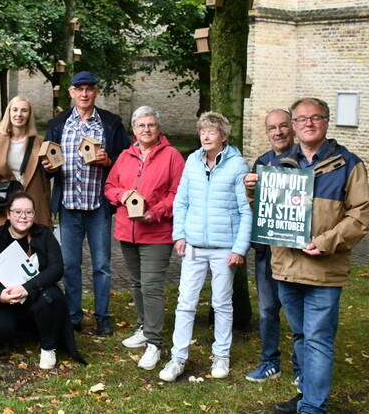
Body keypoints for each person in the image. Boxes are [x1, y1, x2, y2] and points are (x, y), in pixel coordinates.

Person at [269, 97, 369, 414]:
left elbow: (360, 216)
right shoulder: (279, 164)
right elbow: (266, 214)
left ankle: (312, 407)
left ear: (327, 122)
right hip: (286, 267)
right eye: (301, 119)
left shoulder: (349, 165)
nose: (308, 123)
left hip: (324, 270)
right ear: (294, 126)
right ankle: (306, 394)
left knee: (317, 339)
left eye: (316, 117)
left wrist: (327, 241)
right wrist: (251, 191)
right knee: (300, 336)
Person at [159, 112, 252, 383]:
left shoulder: (237, 165)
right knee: (185, 303)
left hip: (225, 248)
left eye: (212, 132)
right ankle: (178, 357)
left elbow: (245, 210)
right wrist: (180, 236)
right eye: (202, 132)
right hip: (194, 246)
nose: (206, 136)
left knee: (222, 304)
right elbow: (181, 201)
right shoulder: (192, 161)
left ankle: (221, 354)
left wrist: (240, 248)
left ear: (223, 136)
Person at [43, 71, 130, 336]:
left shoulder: (110, 123)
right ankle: (74, 316)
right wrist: (49, 168)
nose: (84, 94)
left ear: (96, 92)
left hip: (98, 206)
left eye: (89, 89)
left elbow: (125, 159)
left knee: (102, 265)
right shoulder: (58, 124)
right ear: (71, 92)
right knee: (70, 265)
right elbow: (47, 164)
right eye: (79, 89)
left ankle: (103, 316)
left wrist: (108, 161)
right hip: (69, 206)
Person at [104, 106, 185, 371]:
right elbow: (110, 186)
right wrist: (122, 196)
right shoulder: (126, 155)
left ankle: (154, 342)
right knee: (137, 283)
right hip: (128, 231)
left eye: (151, 125)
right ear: (134, 130)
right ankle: (143, 327)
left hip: (157, 232)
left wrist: (157, 211)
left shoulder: (172, 156)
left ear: (158, 128)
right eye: (141, 126)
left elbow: (179, 192)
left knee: (151, 285)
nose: (146, 130)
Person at [0, 192, 85, 369]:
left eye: (29, 212)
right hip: (5, 302)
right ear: (8, 214)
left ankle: (48, 347)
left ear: (34, 215)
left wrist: (27, 288)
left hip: (36, 298)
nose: (23, 217)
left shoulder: (44, 235)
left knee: (51, 296)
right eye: (18, 212)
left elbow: (56, 269)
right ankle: (13, 336)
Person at [243, 109, 300, 383]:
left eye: (283, 126)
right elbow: (254, 207)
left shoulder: (306, 161)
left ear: (293, 128)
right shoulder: (262, 162)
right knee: (267, 309)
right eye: (272, 128)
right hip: (267, 251)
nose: (278, 132)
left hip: (296, 253)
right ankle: (270, 362)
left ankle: (301, 369)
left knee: (296, 312)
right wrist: (250, 189)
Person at [0, 96, 52, 228]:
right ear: (9, 113)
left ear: (29, 115)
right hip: (2, 205)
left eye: (24, 110)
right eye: (15, 110)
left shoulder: (40, 141)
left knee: (30, 246)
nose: (19, 114)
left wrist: (47, 211)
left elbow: (44, 181)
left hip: (32, 204)